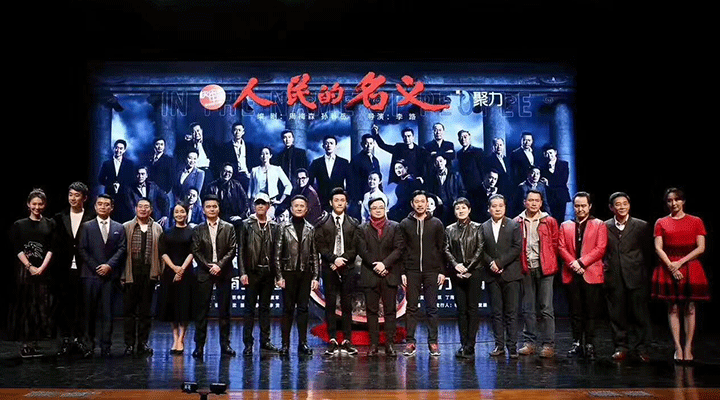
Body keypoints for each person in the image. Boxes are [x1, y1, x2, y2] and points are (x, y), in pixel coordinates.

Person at [652, 188, 708, 363]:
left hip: (690, 266)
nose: (673, 203)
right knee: (673, 308)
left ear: (683, 201)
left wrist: (680, 262)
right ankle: (678, 347)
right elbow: (658, 247)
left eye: (677, 200)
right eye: (670, 200)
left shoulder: (696, 221)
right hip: (669, 266)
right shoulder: (661, 222)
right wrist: (671, 266)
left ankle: (688, 347)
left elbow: (701, 247)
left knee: (690, 308)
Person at [603, 192, 652, 362]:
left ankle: (641, 348)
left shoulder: (641, 226)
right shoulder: (605, 226)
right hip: (614, 275)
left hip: (636, 275)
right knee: (617, 315)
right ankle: (620, 347)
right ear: (611, 208)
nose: (622, 207)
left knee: (640, 314)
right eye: (618, 204)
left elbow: (648, 251)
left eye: (625, 203)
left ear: (629, 206)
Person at [558, 192, 607, 360]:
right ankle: (577, 342)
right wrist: (574, 264)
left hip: (591, 273)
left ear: (589, 206)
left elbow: (600, 248)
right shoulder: (565, 225)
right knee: (575, 312)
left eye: (583, 206)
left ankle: (590, 344)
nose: (580, 209)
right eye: (577, 206)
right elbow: (561, 247)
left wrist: (582, 262)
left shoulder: (599, 224)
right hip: (571, 274)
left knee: (591, 312)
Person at [400, 190, 448, 357]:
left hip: (431, 271)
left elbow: (442, 248)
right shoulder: (405, 224)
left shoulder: (436, 223)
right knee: (411, 308)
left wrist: (442, 271)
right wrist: (403, 272)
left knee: (432, 308)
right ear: (412, 204)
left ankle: (433, 342)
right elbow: (401, 249)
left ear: (427, 204)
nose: (420, 204)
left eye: (423, 201)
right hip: (412, 271)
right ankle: (410, 342)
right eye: (417, 201)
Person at [78, 194, 127, 357]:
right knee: (89, 313)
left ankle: (106, 346)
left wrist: (109, 266)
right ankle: (89, 345)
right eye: (100, 204)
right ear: (95, 207)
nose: (103, 207)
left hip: (110, 276)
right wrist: (96, 267)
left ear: (111, 208)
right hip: (90, 275)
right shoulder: (87, 226)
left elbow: (122, 249)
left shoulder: (119, 227)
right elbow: (82, 249)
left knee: (108, 313)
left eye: (106, 204)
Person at [356, 196, 405, 356]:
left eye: (381, 207)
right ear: (369, 210)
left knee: (390, 311)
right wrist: (376, 265)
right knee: (372, 311)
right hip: (370, 274)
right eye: (374, 208)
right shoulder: (362, 228)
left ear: (386, 209)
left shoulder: (396, 227)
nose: (378, 210)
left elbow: (399, 249)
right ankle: (373, 345)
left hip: (389, 274)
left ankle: (390, 344)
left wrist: (384, 264)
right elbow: (362, 250)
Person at [9, 189, 55, 358]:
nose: (37, 207)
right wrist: (29, 267)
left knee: (41, 306)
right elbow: (17, 248)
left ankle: (35, 342)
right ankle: (25, 344)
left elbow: (51, 248)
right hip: (25, 271)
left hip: (43, 271)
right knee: (26, 306)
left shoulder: (50, 224)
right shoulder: (19, 225)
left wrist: (42, 268)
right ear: (28, 204)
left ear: (45, 205)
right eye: (34, 204)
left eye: (40, 204)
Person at [514, 189, 560, 358]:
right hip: (526, 269)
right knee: (528, 308)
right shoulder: (517, 221)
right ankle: (529, 343)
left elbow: (555, 244)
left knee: (546, 308)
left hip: (545, 269)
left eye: (537, 200)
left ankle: (548, 344)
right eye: (530, 200)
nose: (533, 203)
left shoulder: (549, 221)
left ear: (541, 203)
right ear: (524, 202)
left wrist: (550, 262)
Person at [52, 182, 96, 357]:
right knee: (64, 305)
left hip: (85, 267)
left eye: (77, 195)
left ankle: (81, 341)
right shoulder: (59, 217)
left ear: (84, 198)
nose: (73, 198)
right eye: (71, 195)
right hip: (63, 268)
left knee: (83, 306)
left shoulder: (91, 217)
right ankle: (65, 340)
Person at [315, 188, 360, 355]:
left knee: (347, 305)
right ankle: (332, 339)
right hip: (329, 268)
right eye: (336, 200)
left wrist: (342, 260)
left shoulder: (353, 223)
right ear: (330, 203)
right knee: (331, 304)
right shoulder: (322, 223)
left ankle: (347, 339)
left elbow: (355, 247)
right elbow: (320, 245)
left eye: (342, 200)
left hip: (348, 268)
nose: (339, 203)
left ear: (346, 203)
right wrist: (334, 259)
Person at [191, 194, 238, 358]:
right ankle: (199, 346)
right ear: (203, 210)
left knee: (224, 311)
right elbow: (196, 250)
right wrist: (208, 266)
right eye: (208, 207)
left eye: (214, 206)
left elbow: (232, 249)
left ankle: (225, 345)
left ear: (219, 208)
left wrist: (219, 265)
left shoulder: (229, 227)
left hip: (224, 272)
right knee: (201, 311)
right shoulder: (198, 229)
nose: (211, 209)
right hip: (205, 273)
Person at [275, 195, 320, 356]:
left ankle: (303, 343)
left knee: (303, 309)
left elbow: (315, 255)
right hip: (288, 273)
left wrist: (315, 277)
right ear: (291, 208)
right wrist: (279, 276)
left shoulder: (311, 228)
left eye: (302, 206)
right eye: (296, 205)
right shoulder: (283, 227)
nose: (299, 208)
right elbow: (277, 254)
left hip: (305, 273)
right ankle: (285, 345)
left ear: (306, 209)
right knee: (287, 309)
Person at [238, 193, 281, 356]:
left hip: (268, 272)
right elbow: (241, 250)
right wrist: (243, 272)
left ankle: (265, 341)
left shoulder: (275, 226)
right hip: (252, 272)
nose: (260, 206)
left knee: (265, 308)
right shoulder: (246, 225)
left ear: (268, 206)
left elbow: (277, 251)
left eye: (263, 204)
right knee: (249, 309)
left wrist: (277, 275)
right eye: (258, 204)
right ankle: (248, 343)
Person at [481, 194, 522, 358]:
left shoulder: (513, 225)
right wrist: (491, 263)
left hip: (511, 274)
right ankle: (499, 345)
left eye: (500, 206)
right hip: (491, 275)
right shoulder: (483, 227)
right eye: (494, 206)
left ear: (505, 207)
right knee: (496, 313)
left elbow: (517, 247)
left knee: (511, 313)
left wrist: (500, 263)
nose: (497, 209)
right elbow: (480, 249)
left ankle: (512, 347)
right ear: (488, 209)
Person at [121, 198, 163, 357]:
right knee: (129, 312)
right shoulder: (126, 226)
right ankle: (129, 344)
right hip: (131, 273)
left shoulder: (157, 228)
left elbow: (161, 253)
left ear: (151, 210)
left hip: (149, 274)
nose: (143, 209)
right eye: (140, 206)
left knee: (145, 312)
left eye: (146, 207)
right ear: (136, 208)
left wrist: (159, 272)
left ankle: (142, 343)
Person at [444, 198, 484, 358]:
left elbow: (480, 248)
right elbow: (446, 249)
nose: (460, 211)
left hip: (474, 272)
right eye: (457, 208)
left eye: (463, 208)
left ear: (469, 210)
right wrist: (456, 265)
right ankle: (463, 344)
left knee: (472, 309)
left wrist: (468, 267)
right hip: (457, 272)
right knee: (461, 310)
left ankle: (471, 345)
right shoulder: (449, 229)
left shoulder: (478, 227)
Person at [157, 202, 195, 355]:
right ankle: (174, 338)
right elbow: (163, 252)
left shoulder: (192, 232)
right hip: (169, 272)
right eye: (177, 212)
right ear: (173, 214)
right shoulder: (167, 232)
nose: (180, 214)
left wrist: (182, 269)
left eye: (182, 211)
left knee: (184, 307)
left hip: (187, 273)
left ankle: (181, 338)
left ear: (186, 213)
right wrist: (174, 268)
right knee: (172, 307)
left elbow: (193, 252)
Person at [308, 135, 351, 210]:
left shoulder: (344, 162)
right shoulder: (316, 163)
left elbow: (349, 182)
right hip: (321, 200)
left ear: (335, 145)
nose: (329, 145)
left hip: (339, 199)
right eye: (326, 143)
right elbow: (310, 182)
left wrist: (348, 199)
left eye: (331, 143)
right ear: (323, 146)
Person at [218, 122, 258, 192]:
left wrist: (250, 174)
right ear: (232, 132)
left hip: (247, 175)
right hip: (233, 176)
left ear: (243, 132)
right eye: (235, 130)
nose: (237, 132)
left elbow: (253, 162)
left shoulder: (249, 146)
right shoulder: (226, 147)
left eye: (239, 130)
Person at [349, 133, 381, 219]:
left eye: (371, 143)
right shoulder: (356, 160)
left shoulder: (375, 160)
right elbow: (352, 180)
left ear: (374, 144)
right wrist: (357, 198)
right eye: (366, 143)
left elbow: (378, 178)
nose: (369, 146)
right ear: (362, 144)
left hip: (374, 196)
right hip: (361, 197)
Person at [426, 155, 466, 225]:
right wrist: (436, 198)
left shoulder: (455, 175)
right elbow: (428, 192)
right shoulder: (431, 177)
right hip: (438, 209)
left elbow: (462, 191)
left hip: (452, 208)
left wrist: (457, 201)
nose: (439, 164)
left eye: (441, 161)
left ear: (445, 162)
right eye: (436, 162)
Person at [456, 129, 484, 216]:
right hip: (464, 187)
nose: (463, 139)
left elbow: (482, 168)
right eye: (461, 137)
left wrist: (482, 183)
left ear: (469, 138)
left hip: (476, 186)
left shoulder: (477, 151)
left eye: (465, 137)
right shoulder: (459, 153)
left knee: (478, 210)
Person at [540, 145, 570, 221]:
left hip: (561, 195)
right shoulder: (542, 167)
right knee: (551, 218)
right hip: (549, 196)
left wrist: (548, 183)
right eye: (547, 153)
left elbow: (563, 180)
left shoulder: (564, 164)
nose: (549, 155)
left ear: (555, 152)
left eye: (551, 153)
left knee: (561, 218)